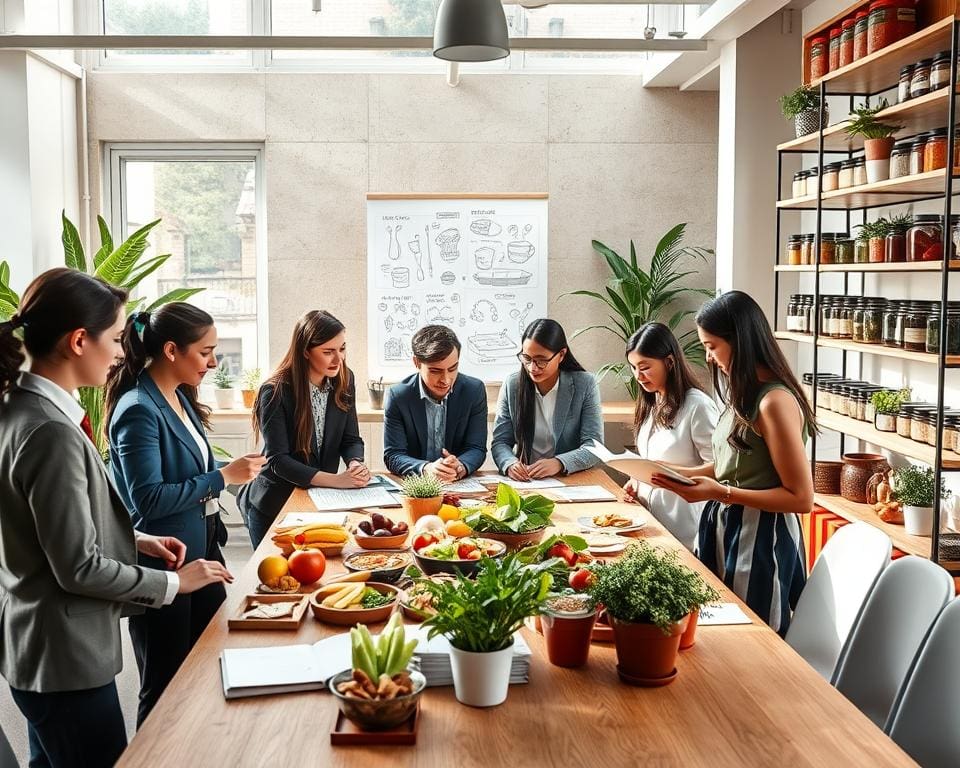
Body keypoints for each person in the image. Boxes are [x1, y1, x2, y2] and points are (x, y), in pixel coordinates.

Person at [0, 268, 232, 768]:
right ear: (79, 341)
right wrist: (174, 584)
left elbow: (57, 533)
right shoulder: (50, 431)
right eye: (113, 338)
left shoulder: (24, 409)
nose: (123, 351)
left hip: (41, 653)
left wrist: (138, 539)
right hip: (65, 657)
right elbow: (77, 567)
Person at [105, 303, 265, 726]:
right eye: (206, 352)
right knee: (163, 688)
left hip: (202, 554)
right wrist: (222, 478)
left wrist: (219, 478)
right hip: (166, 564)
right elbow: (148, 501)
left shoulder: (177, 397)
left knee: (204, 671)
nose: (214, 362)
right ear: (172, 350)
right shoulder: (138, 408)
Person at [650, 291, 814, 635]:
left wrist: (721, 494)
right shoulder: (743, 394)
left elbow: (801, 499)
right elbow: (731, 467)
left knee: (753, 641)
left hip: (762, 540)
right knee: (721, 635)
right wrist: (671, 475)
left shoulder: (773, 402)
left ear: (739, 340)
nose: (709, 358)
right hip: (727, 527)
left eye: (711, 346)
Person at [238, 310, 368, 547]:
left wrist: (355, 463)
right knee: (277, 579)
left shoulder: (345, 379)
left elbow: (351, 439)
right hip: (274, 505)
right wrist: (338, 480)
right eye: (328, 352)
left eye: (342, 349)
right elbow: (279, 460)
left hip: (317, 501)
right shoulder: (275, 390)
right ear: (306, 351)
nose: (338, 360)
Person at [621, 323, 719, 551]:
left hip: (685, 526)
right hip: (651, 523)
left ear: (669, 361)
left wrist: (671, 471)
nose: (638, 376)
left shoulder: (698, 405)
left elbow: (719, 467)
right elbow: (650, 461)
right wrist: (635, 481)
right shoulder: (652, 403)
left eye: (644, 367)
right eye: (633, 368)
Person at [491, 318, 603, 479]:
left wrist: (559, 463)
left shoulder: (585, 384)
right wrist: (509, 463)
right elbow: (500, 441)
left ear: (561, 355)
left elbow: (594, 446)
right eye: (526, 358)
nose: (532, 367)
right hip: (527, 479)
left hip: (569, 478)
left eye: (541, 360)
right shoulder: (513, 384)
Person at [383, 325, 487, 480]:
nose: (446, 380)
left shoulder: (474, 391)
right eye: (435, 371)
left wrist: (461, 466)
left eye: (453, 368)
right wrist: (426, 468)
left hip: (457, 483)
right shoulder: (398, 396)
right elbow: (393, 455)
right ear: (417, 363)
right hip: (417, 485)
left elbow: (476, 448)